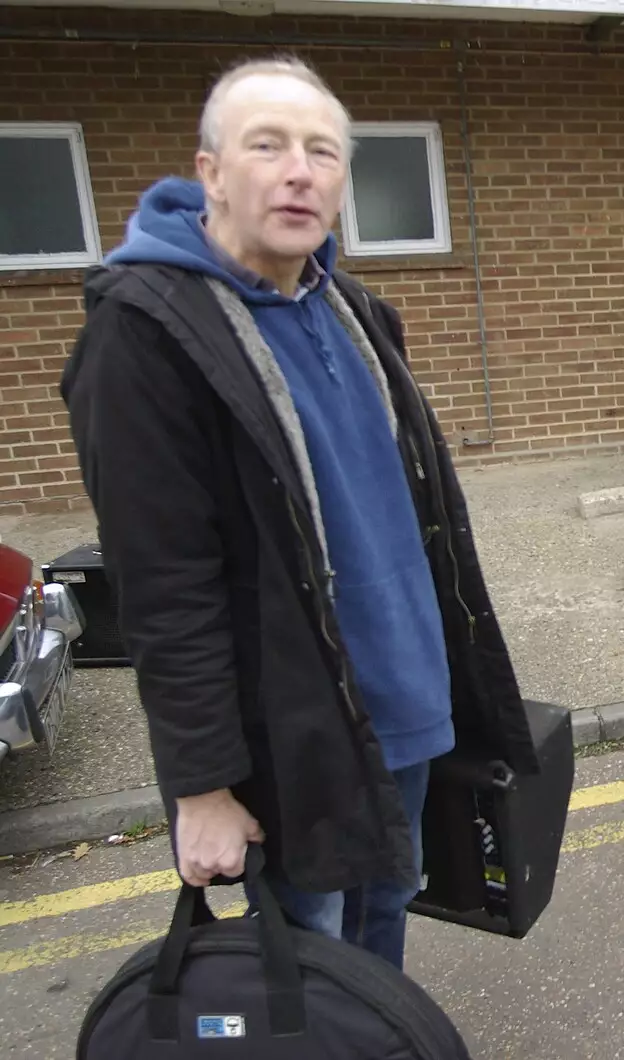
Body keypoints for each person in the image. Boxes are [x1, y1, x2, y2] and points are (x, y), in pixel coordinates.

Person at [60, 55, 534, 970]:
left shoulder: (349, 306)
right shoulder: (145, 335)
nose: (298, 170)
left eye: (323, 151)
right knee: (309, 940)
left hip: (403, 700)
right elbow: (165, 588)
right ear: (210, 173)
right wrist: (200, 785)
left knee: (387, 905)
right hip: (292, 729)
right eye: (267, 145)